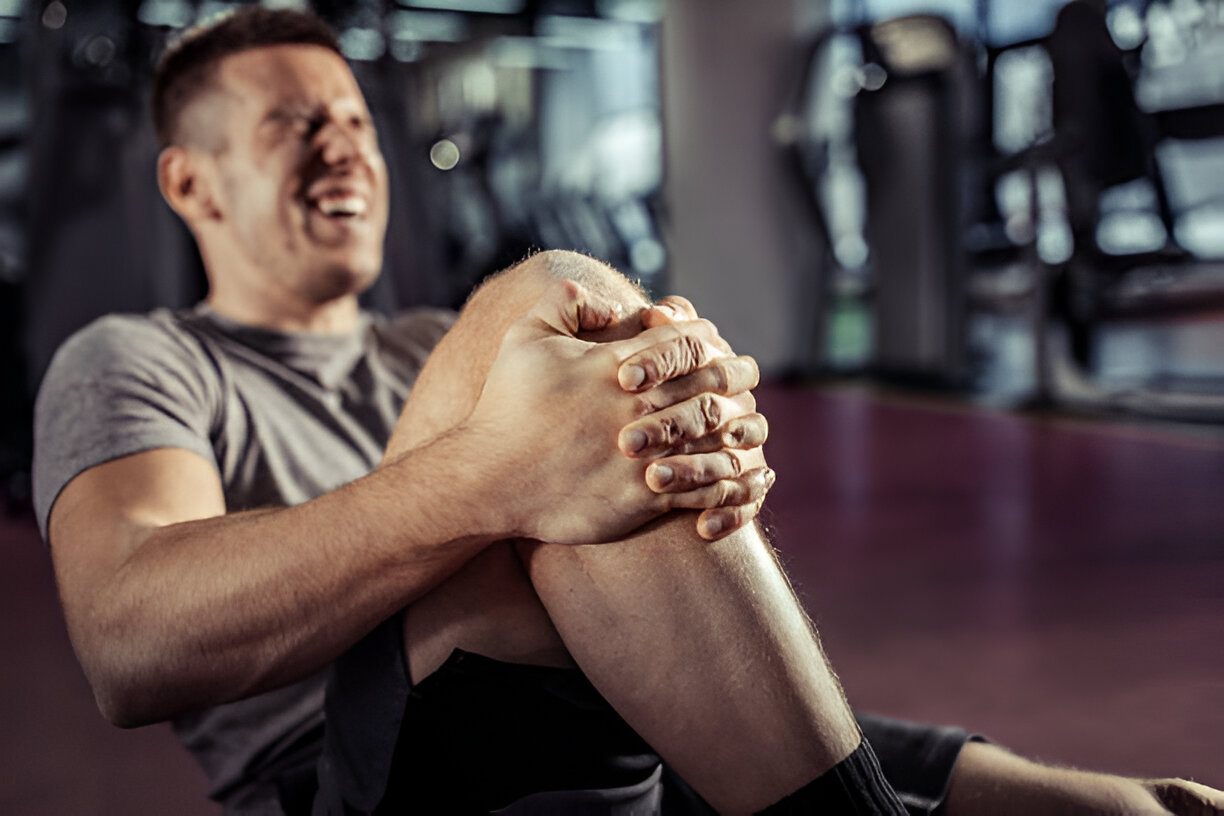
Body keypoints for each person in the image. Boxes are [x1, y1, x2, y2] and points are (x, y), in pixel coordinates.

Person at [31, 7, 1222, 816]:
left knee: (1146, 809)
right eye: (294, 122)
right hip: (360, 773)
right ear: (189, 179)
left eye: (354, 122)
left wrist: (703, 441)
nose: (343, 148)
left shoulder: (421, 343)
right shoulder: (142, 359)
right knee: (559, 296)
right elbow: (130, 643)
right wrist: (493, 475)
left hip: (623, 702)